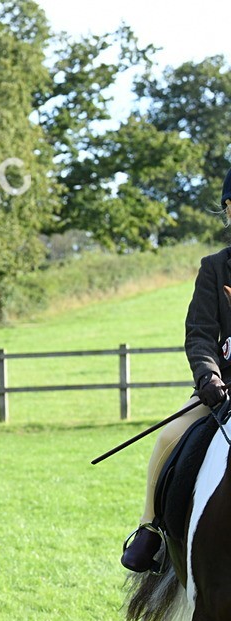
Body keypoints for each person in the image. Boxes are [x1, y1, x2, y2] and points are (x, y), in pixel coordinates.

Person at [122, 167, 231, 572]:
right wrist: (209, 378)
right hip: (222, 391)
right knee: (169, 435)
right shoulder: (214, 268)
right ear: (227, 213)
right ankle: (149, 530)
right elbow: (201, 334)